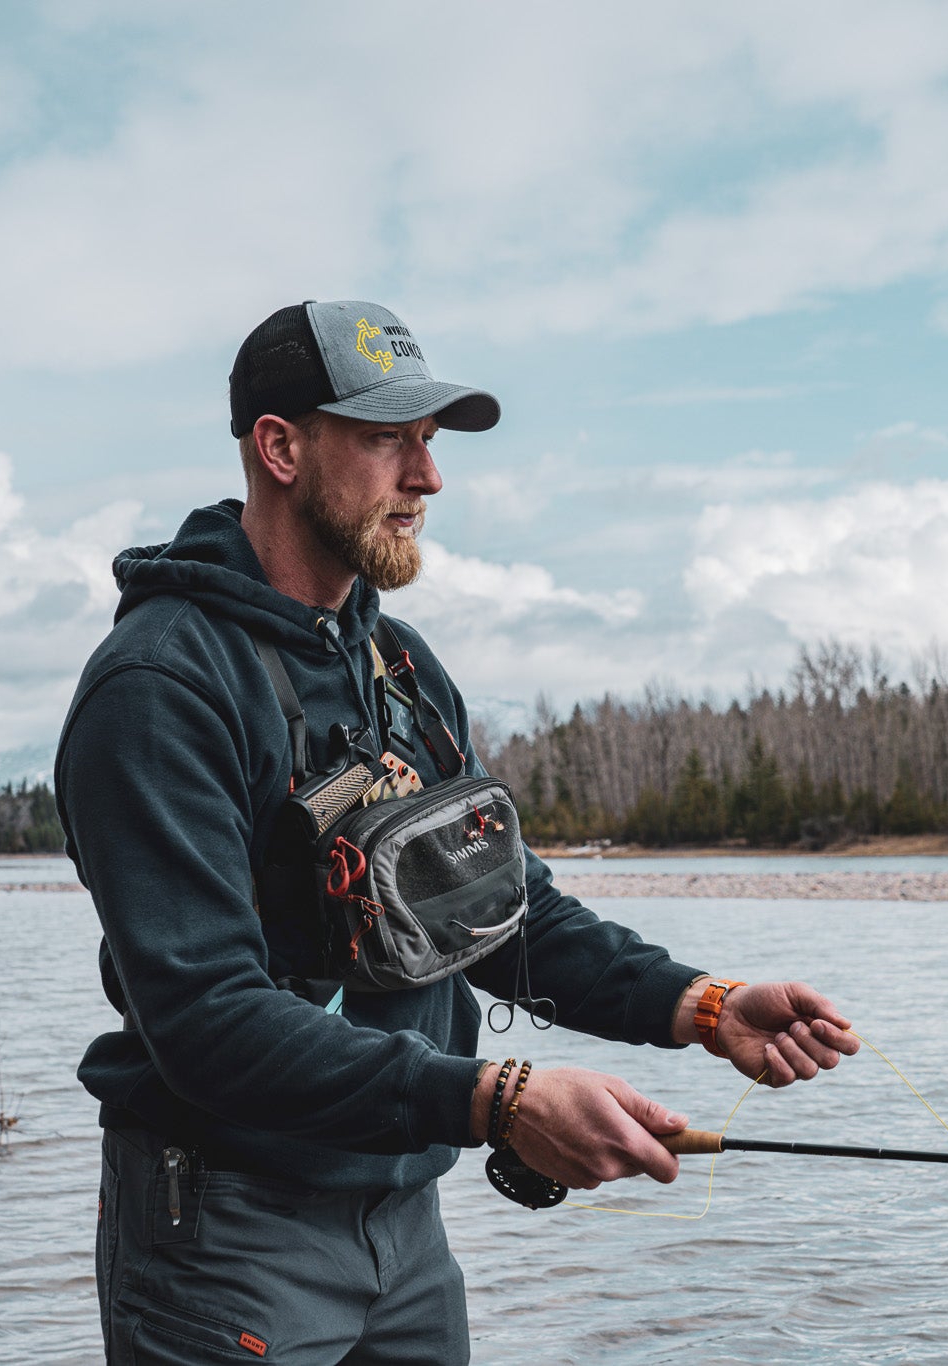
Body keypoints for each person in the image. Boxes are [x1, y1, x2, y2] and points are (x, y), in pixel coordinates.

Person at [55, 299, 858, 1365]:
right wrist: (498, 1101)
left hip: (405, 1230)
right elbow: (206, 1019)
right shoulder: (160, 687)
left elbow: (504, 914)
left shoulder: (401, 667)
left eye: (429, 441)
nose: (428, 478)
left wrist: (698, 1006)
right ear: (281, 449)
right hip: (222, 1231)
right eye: (388, 439)